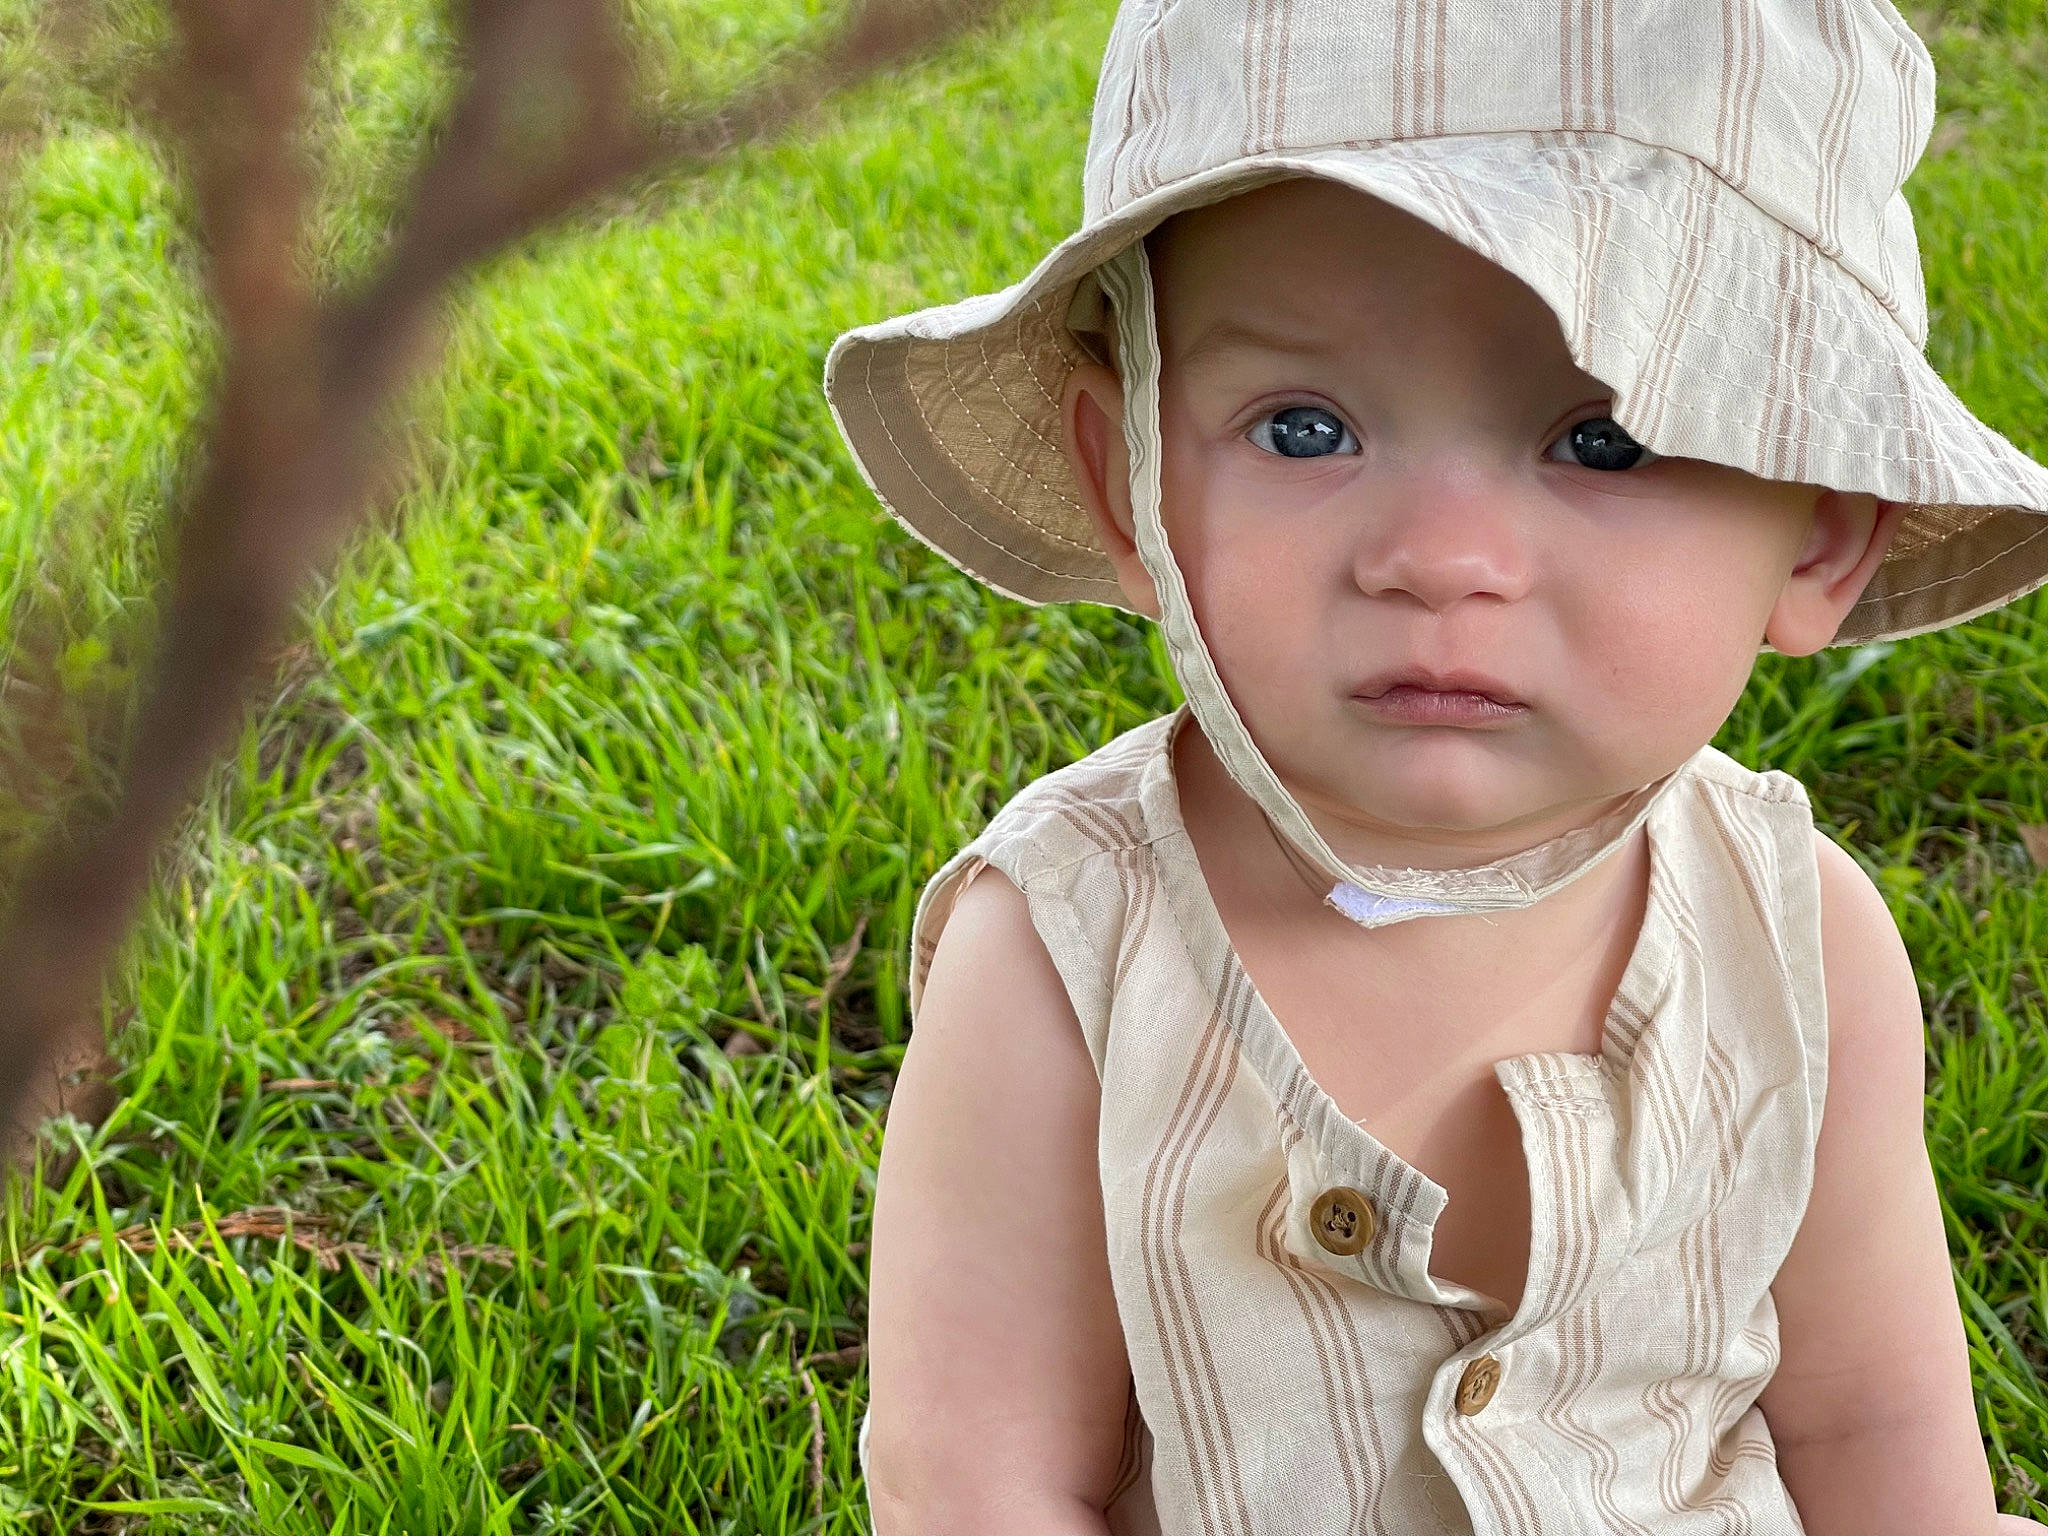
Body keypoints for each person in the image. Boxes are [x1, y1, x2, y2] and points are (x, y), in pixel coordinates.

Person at [821, 0, 2048, 1531]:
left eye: (1604, 443)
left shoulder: (1800, 938)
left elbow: (1876, 1429)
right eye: (1305, 427)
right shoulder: (1067, 952)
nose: (1438, 559)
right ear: (1120, 473)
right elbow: (976, 1482)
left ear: (1820, 530)